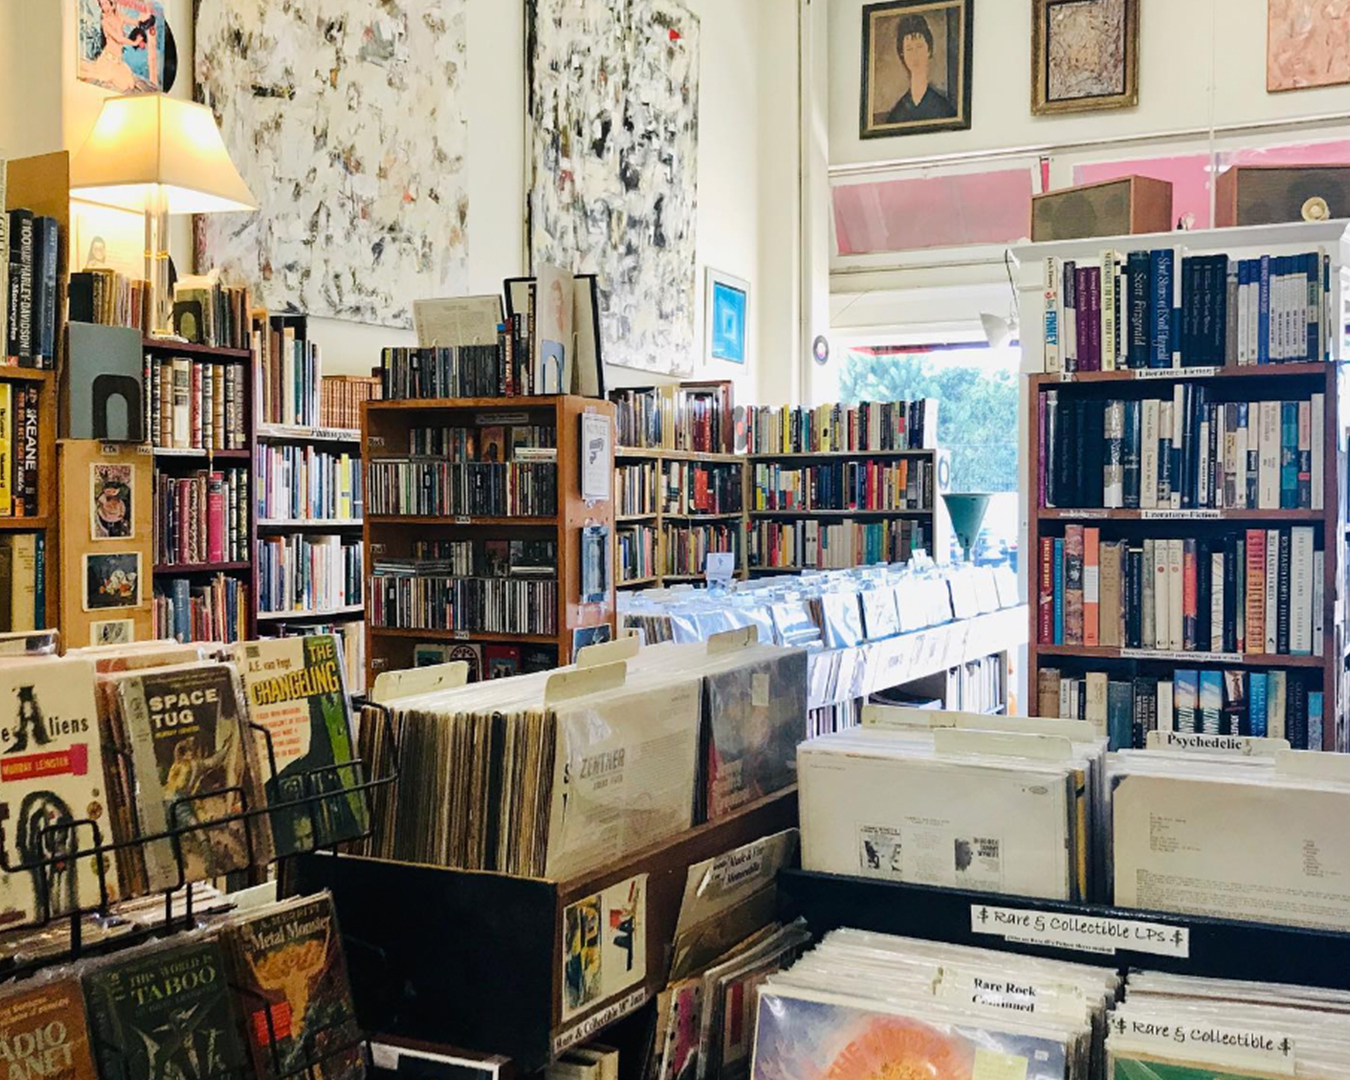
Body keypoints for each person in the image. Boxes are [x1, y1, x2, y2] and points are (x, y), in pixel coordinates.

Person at [886, 13, 956, 123]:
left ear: (929, 50)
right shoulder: (896, 115)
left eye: (919, 47)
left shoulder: (945, 109)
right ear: (902, 54)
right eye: (909, 49)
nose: (915, 55)